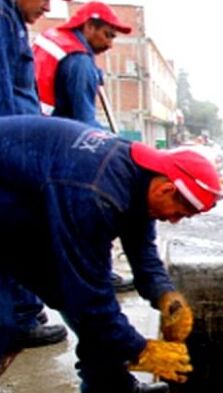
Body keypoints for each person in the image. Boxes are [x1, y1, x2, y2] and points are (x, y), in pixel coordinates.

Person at [0, 115, 223, 393]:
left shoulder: (140, 175)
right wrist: (140, 350)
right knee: (19, 317)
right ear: (166, 190)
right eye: (179, 213)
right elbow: (90, 298)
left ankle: (107, 391)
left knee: (70, 288)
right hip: (16, 199)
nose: (173, 219)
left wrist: (165, 295)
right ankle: (107, 387)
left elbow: (142, 249)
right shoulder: (95, 195)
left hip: (24, 195)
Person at [33, 1, 135, 291]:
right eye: (108, 35)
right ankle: (95, 275)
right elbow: (83, 122)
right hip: (57, 149)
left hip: (39, 140)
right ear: (88, 26)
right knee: (92, 206)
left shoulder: (57, 44)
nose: (111, 43)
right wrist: (116, 150)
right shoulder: (78, 61)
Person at [0, 0, 69, 350]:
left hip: (17, 145)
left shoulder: (12, 20)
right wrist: (17, 154)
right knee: (16, 235)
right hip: (12, 149)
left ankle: (23, 311)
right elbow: (3, 96)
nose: (47, 5)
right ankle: (17, 321)